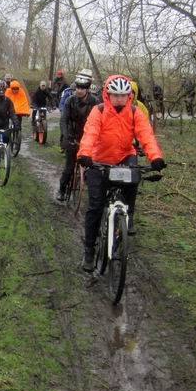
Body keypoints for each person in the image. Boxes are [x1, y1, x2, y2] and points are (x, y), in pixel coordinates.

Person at [77, 75, 166, 271]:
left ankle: (128, 216)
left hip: (125, 156)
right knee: (95, 206)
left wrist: (155, 157)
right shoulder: (98, 111)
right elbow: (90, 133)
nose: (119, 98)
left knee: (134, 177)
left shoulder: (134, 112)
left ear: (129, 96)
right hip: (98, 160)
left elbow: (146, 136)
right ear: (108, 95)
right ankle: (89, 251)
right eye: (115, 95)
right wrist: (85, 155)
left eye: (123, 95)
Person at [56, 70, 97, 201]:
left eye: (82, 88)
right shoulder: (70, 100)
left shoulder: (95, 102)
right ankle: (61, 190)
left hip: (88, 139)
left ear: (88, 88)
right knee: (68, 167)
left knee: (93, 169)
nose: (79, 91)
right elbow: (64, 120)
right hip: (71, 137)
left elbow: (100, 122)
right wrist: (66, 135)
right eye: (78, 87)